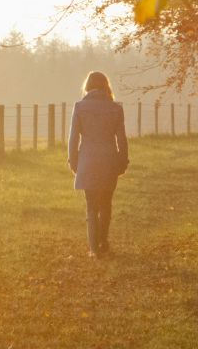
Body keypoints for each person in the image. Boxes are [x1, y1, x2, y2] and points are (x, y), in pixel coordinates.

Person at [67, 71, 129, 257]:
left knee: (91, 206)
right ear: (105, 86)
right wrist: (122, 161)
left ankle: (94, 248)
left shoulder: (79, 107)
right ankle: (103, 242)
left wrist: (73, 161)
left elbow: (73, 138)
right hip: (109, 160)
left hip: (87, 161)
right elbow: (122, 139)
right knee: (106, 204)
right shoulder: (116, 109)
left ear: (88, 86)